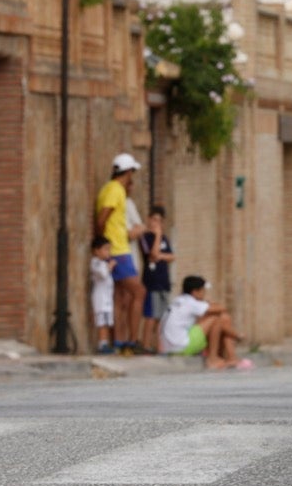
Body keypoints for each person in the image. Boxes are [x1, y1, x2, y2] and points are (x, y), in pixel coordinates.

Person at [94, 153, 144, 355]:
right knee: (139, 292)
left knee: (119, 296)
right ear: (129, 172)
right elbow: (102, 218)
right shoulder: (115, 190)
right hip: (118, 250)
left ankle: (119, 340)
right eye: (133, 172)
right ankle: (131, 340)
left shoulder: (112, 189)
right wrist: (102, 243)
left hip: (118, 248)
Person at [160, 275, 252, 370]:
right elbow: (222, 308)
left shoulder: (179, 300)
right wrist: (209, 303)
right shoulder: (191, 303)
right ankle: (214, 358)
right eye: (203, 291)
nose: (204, 294)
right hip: (181, 346)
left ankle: (231, 354)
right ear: (195, 292)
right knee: (218, 319)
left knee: (219, 318)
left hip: (170, 347)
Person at [139, 205, 175, 355]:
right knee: (151, 316)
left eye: (159, 221)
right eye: (154, 220)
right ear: (149, 220)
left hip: (164, 281)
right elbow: (153, 255)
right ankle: (146, 345)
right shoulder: (146, 238)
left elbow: (172, 256)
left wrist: (161, 255)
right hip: (152, 282)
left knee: (161, 317)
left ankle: (158, 345)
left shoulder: (165, 238)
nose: (156, 223)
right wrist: (158, 235)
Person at [89, 237, 115, 353]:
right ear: (96, 251)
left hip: (107, 298)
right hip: (101, 298)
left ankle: (105, 343)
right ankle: (102, 344)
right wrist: (110, 266)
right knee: (102, 322)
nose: (107, 252)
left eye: (109, 249)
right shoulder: (96, 263)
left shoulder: (103, 263)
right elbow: (103, 274)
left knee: (106, 321)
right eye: (105, 249)